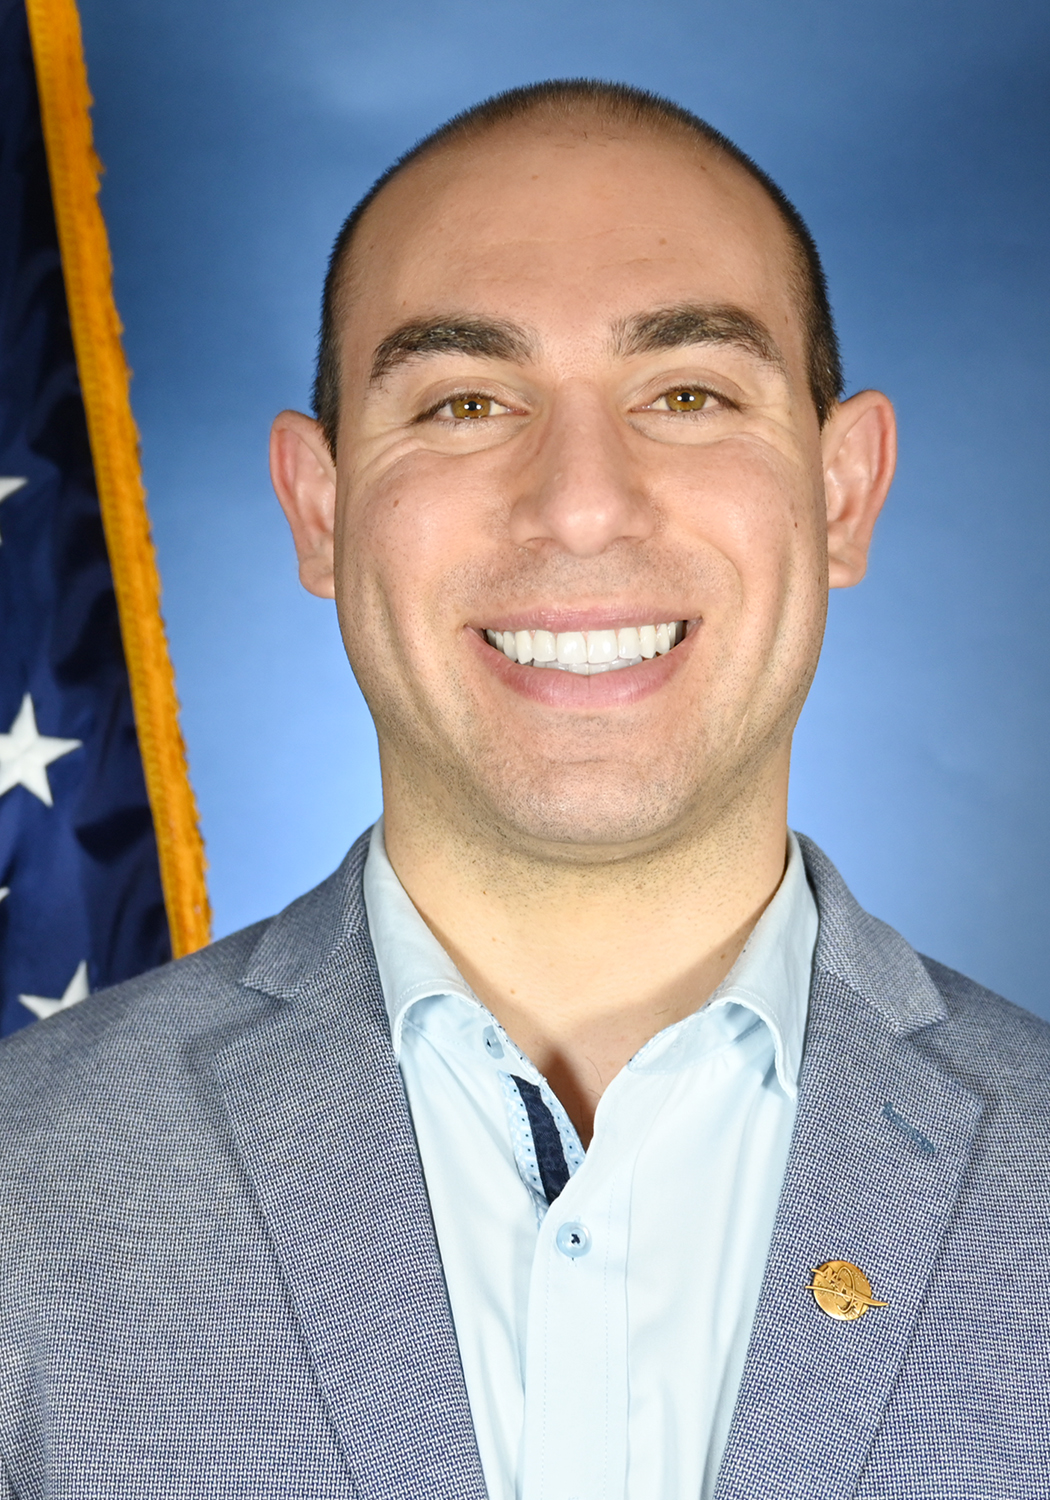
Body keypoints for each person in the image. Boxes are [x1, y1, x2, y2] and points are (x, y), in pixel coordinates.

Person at [1, 79, 1048, 1500]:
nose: (580, 504)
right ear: (320, 509)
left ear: (841, 493)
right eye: (465, 402)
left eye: (686, 394)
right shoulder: (22, 1185)